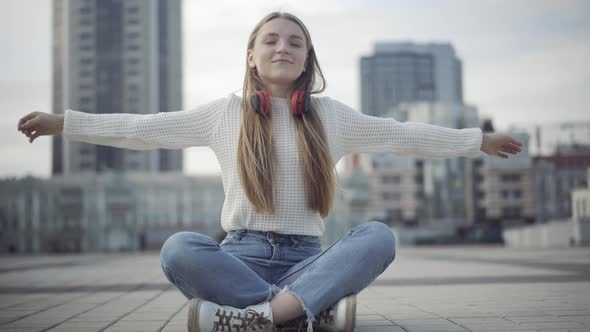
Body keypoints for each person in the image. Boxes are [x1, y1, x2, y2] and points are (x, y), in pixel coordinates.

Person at [17, 11, 523, 332]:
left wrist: (477, 140)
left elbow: (406, 134)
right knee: (178, 249)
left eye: (295, 43)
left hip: (308, 258)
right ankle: (304, 312)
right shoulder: (224, 114)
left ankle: (256, 318)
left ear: (307, 61)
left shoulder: (332, 117)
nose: (284, 47)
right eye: (272, 40)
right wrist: (63, 123)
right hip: (239, 258)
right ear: (253, 57)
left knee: (378, 237)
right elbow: (142, 128)